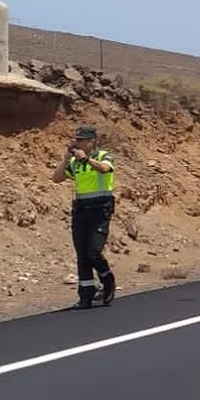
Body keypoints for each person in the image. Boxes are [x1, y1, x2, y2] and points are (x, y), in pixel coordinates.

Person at [54, 125, 117, 307]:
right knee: (82, 253)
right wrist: (66, 159)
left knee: (93, 250)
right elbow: (56, 178)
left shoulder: (102, 156)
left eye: (81, 140)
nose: (77, 143)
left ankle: (107, 279)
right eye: (76, 140)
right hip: (81, 211)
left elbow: (105, 169)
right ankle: (86, 295)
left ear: (91, 142)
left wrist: (87, 160)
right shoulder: (75, 163)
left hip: (100, 209)